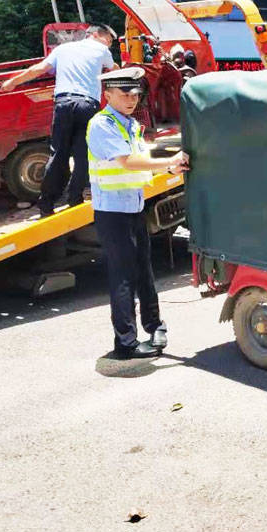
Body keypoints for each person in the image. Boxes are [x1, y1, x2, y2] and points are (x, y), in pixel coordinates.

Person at [86, 67, 189, 359]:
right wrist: (169, 162)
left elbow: (143, 157)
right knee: (123, 277)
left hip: (133, 206)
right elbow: (128, 162)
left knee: (144, 270)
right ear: (108, 95)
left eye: (135, 94)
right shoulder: (102, 124)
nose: (132, 99)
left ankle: (154, 325)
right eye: (125, 94)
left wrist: (170, 161)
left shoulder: (129, 123)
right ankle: (126, 344)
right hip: (112, 211)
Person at [0, 24, 120, 216]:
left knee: (58, 155)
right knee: (84, 156)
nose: (110, 44)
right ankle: (75, 199)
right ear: (96, 35)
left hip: (63, 104)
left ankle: (46, 205)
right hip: (87, 106)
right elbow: (114, 69)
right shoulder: (102, 49)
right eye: (109, 40)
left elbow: (38, 69)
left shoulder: (62, 49)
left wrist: (12, 82)